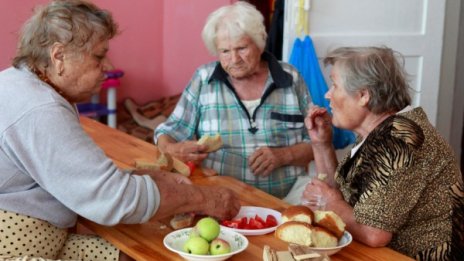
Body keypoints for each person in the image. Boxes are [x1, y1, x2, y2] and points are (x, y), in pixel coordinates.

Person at [0, 1, 240, 260]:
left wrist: (143, 179)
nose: (107, 65)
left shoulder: (22, 83)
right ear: (58, 57)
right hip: (17, 249)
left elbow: (75, 175)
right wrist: (202, 198)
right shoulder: (40, 109)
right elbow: (110, 198)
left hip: (45, 238)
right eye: (99, 56)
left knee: (128, 255)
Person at [302, 46, 464, 260]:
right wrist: (322, 144)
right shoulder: (382, 131)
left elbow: (373, 233)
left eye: (334, 85)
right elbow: (344, 198)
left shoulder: (401, 139)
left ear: (363, 96)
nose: (327, 94)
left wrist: (330, 202)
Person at [154, 1, 313, 199]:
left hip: (287, 195)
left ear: (259, 43)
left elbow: (318, 143)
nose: (234, 59)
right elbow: (168, 131)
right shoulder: (204, 79)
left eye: (242, 48)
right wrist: (172, 149)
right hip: (221, 196)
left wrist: (283, 156)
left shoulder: (290, 78)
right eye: (225, 51)